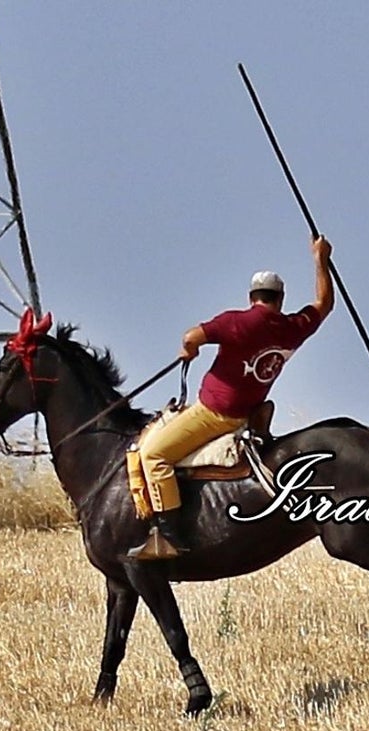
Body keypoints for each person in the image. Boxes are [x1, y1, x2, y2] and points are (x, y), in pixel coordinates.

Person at [128, 235, 335, 560]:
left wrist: (189, 350)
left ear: (252, 297)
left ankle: (169, 537)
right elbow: (324, 304)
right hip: (250, 411)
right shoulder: (292, 327)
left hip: (214, 413)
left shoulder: (238, 322)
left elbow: (191, 336)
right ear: (280, 300)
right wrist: (320, 260)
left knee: (153, 454)